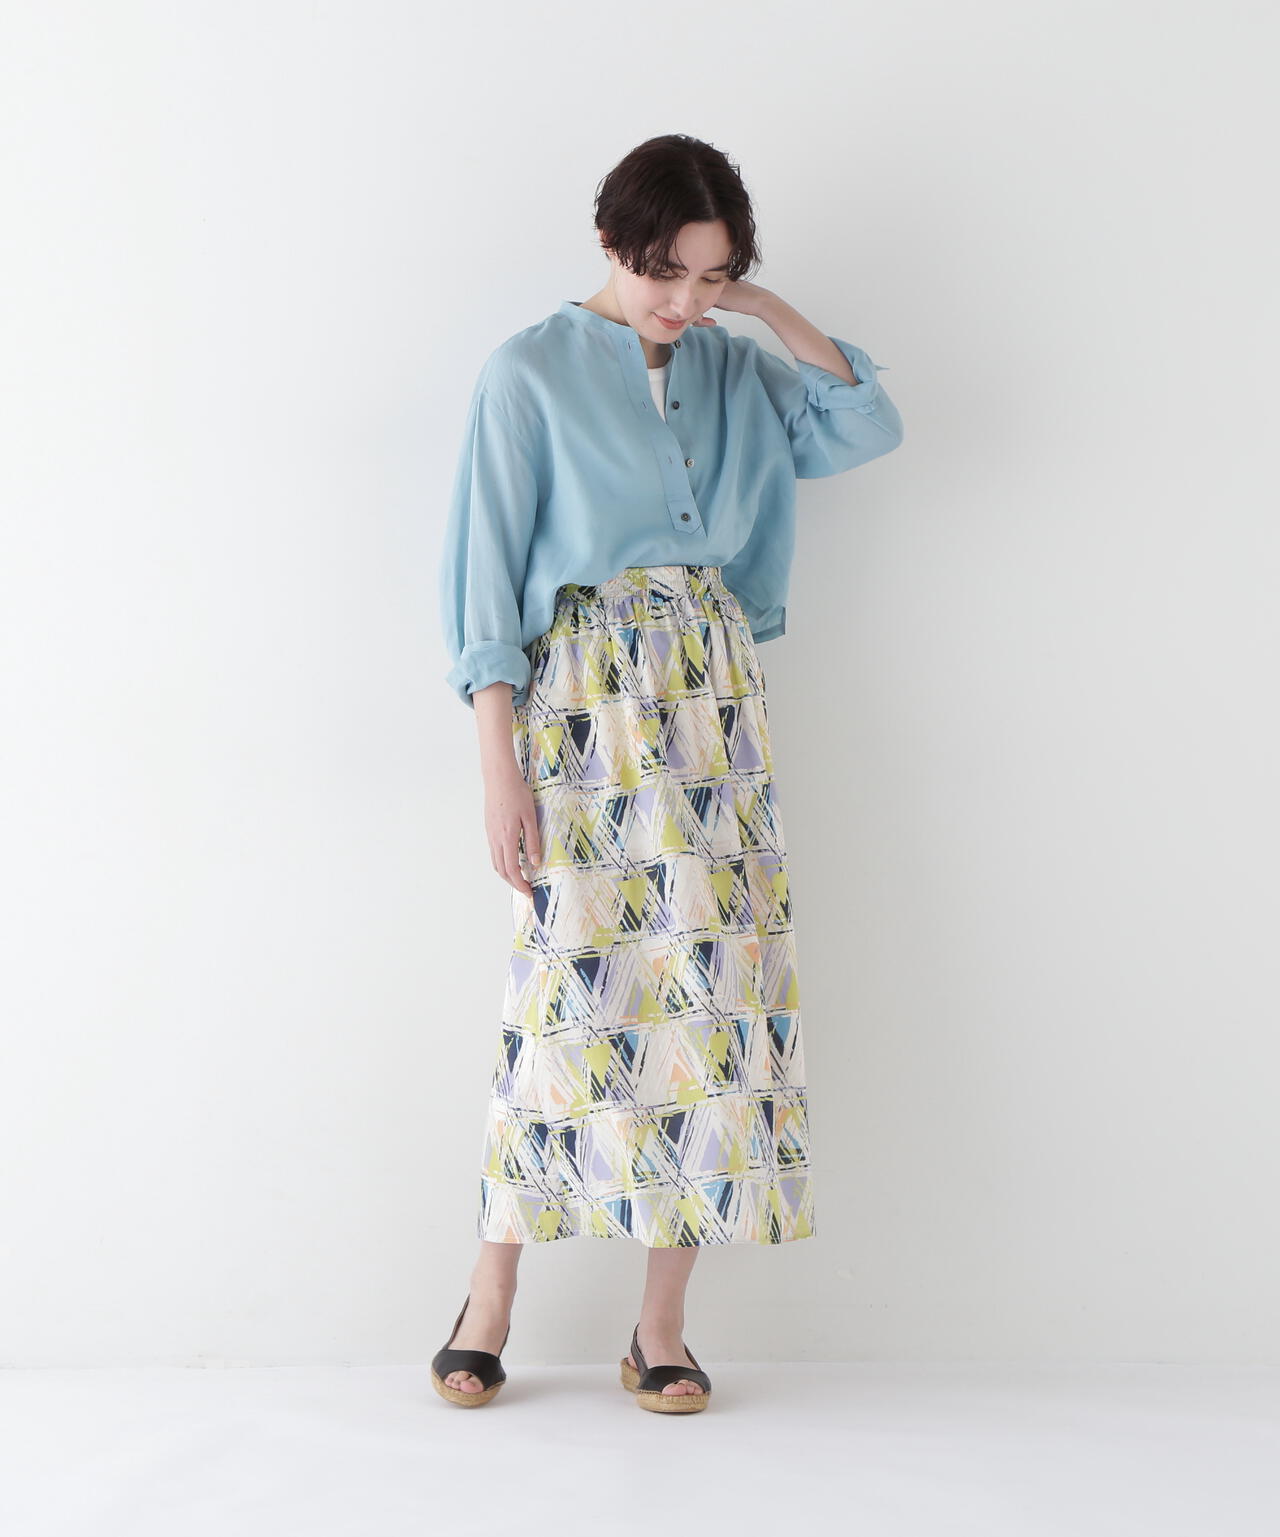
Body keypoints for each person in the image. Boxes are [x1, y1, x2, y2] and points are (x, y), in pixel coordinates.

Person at [433, 133, 904, 1412]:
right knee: (564, 996)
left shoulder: (736, 364)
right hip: (581, 704)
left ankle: (659, 1328)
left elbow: (862, 421)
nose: (682, 301)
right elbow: (483, 579)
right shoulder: (527, 371)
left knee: (713, 1003)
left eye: (708, 276)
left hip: (713, 703)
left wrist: (758, 304)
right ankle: (489, 1295)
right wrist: (499, 769)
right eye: (663, 273)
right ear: (610, 243)